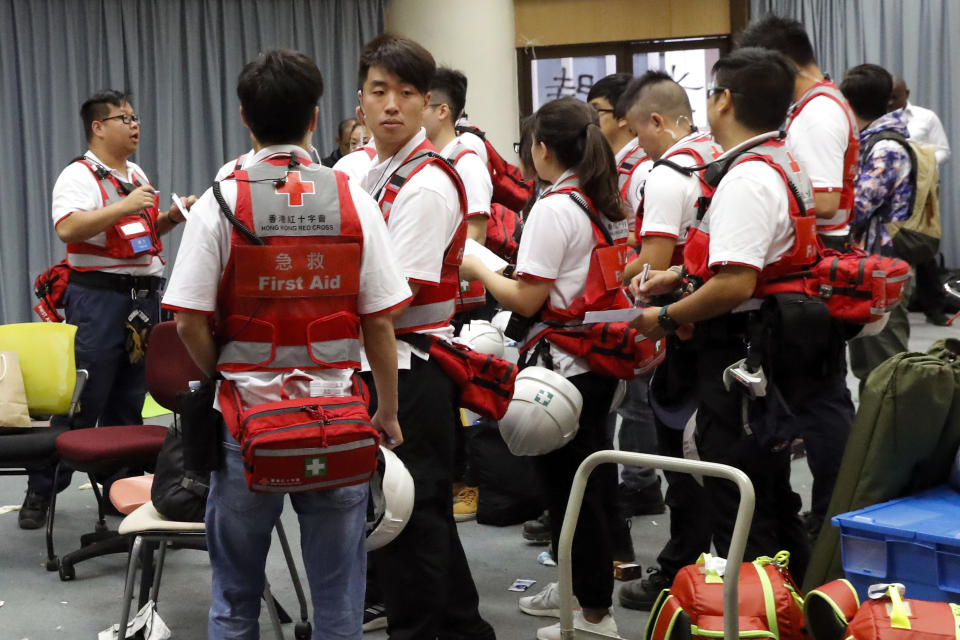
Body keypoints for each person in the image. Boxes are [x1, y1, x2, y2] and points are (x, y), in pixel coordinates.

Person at [161, 49, 409, 639]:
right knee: (339, 595)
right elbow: (379, 322)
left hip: (246, 426)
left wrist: (224, 370)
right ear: (316, 117)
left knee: (236, 594)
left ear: (245, 117)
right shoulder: (354, 199)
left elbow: (190, 318)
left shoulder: (221, 200)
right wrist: (389, 412)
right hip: (337, 417)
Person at [629, 47, 816, 583]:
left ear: (725, 100)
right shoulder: (784, 160)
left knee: (738, 493)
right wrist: (684, 280)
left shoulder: (747, 178)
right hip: (770, 340)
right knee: (771, 487)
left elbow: (737, 282)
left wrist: (665, 316)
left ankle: (754, 609)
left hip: (740, 350)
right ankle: (792, 598)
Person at [460, 96, 628, 639]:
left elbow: (529, 300)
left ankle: (594, 614)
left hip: (565, 367)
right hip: (597, 361)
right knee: (592, 482)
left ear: (540, 148)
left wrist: (477, 268)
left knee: (570, 490)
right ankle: (585, 595)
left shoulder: (555, 207)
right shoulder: (600, 197)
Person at [353, 34, 496, 640]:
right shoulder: (380, 172)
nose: (391, 104)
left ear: (427, 103)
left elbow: (392, 299)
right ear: (360, 101)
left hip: (409, 371)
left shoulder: (427, 183)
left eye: (405, 93)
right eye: (378, 91)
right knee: (419, 514)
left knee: (409, 522)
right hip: (393, 364)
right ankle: (463, 628)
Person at [19, 90, 195, 530]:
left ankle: (121, 493)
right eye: (124, 118)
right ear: (98, 127)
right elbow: (69, 228)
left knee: (130, 398)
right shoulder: (78, 175)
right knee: (83, 398)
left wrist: (170, 217)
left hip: (142, 300)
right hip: (98, 299)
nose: (135, 125)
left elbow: (136, 231)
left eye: (135, 117)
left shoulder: (132, 172)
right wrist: (124, 204)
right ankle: (42, 488)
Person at [736, 15, 857, 540]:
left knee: (818, 399)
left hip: (815, 270)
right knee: (815, 396)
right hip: (812, 267)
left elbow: (825, 200)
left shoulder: (817, 112)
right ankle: (826, 511)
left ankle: (833, 514)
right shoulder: (818, 107)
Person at [615, 70, 723, 610]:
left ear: (656, 122)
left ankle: (679, 568)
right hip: (726, 322)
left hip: (682, 323)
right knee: (720, 447)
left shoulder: (664, 174)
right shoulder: (718, 154)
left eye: (639, 134)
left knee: (682, 451)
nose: (638, 146)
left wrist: (606, 279)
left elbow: (653, 262)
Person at [586, 73, 664, 529]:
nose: (593, 120)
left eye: (597, 111)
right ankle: (638, 479)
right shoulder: (621, 161)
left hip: (635, 285)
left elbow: (641, 235)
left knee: (636, 395)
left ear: (621, 116)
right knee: (630, 393)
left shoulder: (640, 167)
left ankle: (640, 483)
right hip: (625, 283)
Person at [842, 64, 917, 383]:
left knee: (885, 368)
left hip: (884, 270)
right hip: (873, 267)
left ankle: (894, 431)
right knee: (869, 363)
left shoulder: (885, 148)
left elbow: (855, 209)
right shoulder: (875, 141)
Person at [890, 76, 952, 325]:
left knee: (922, 248)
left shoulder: (925, 118)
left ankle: (934, 307)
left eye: (896, 96)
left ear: (907, 92)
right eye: (888, 96)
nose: (891, 101)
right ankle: (891, 306)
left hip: (921, 192)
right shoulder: (875, 119)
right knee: (888, 246)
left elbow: (943, 151)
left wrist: (918, 165)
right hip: (889, 191)